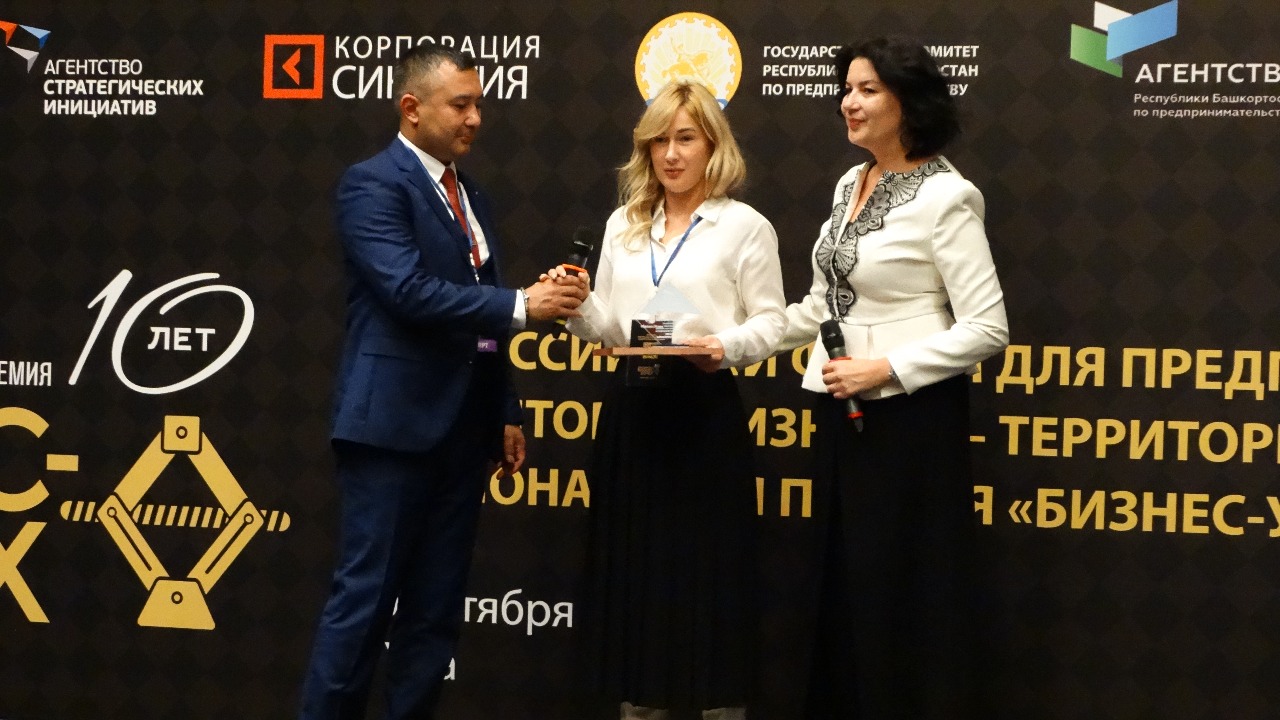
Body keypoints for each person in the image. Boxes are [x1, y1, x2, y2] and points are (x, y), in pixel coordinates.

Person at [298, 43, 588, 720]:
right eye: (461, 105)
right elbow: (407, 292)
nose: (475, 118)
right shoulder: (372, 184)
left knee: (434, 615)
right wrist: (522, 304)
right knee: (365, 603)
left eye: (479, 104)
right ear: (412, 108)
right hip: (391, 430)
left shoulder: (471, 194)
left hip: (461, 435)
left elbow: (479, 325)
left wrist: (504, 408)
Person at [774, 36, 1009, 720]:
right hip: (841, 416)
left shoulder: (948, 196)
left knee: (900, 598)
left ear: (909, 101)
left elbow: (988, 327)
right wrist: (725, 345)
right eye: (846, 89)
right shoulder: (849, 183)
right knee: (843, 592)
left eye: (867, 90)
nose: (849, 102)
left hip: (911, 426)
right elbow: (822, 307)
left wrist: (886, 370)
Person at [546, 80, 786, 720]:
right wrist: (576, 303)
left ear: (713, 145)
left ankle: (719, 707)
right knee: (636, 574)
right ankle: (640, 706)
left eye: (685, 139)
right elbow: (609, 327)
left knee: (709, 573)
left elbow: (773, 321)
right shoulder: (623, 224)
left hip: (703, 409)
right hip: (633, 410)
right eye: (659, 142)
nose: (671, 154)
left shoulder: (744, 227)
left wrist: (722, 346)